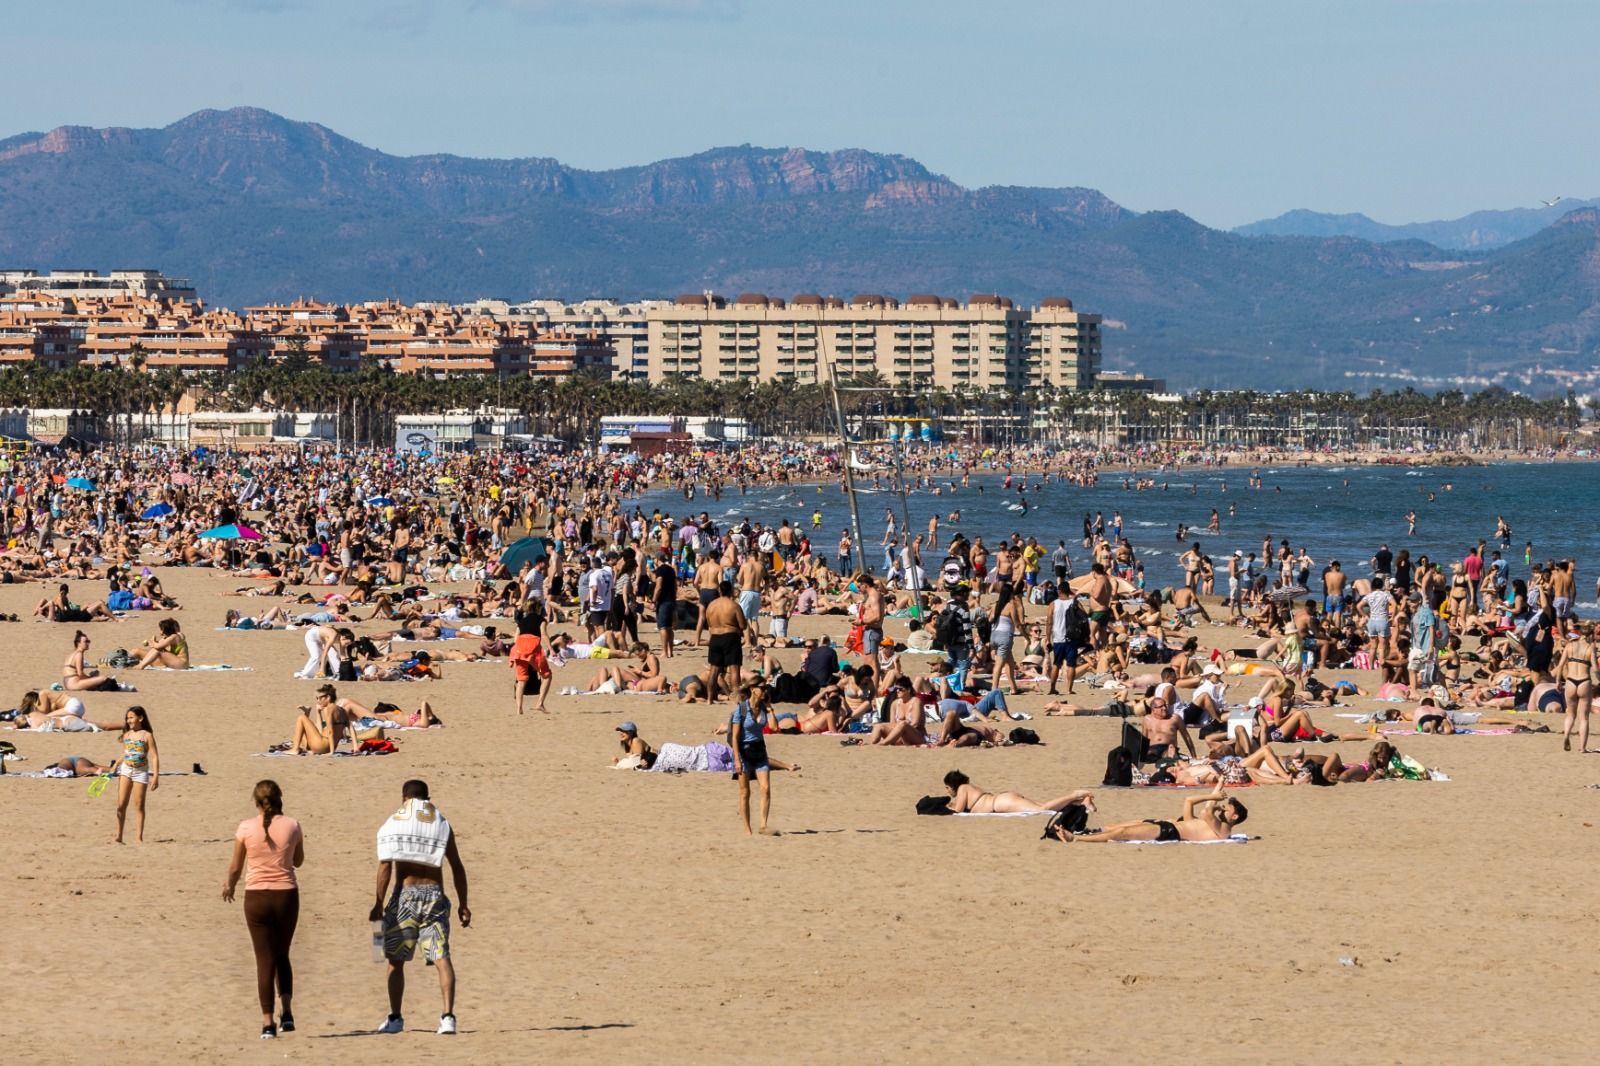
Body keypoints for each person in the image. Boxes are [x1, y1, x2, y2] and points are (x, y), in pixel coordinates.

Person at [372, 779, 471, 1036]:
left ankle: (395, 1018)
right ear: (428, 798)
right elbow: (457, 866)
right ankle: (448, 1017)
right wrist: (463, 903)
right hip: (434, 895)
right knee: (442, 958)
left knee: (395, 961)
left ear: (404, 797)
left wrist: (378, 903)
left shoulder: (395, 822)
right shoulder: (440, 823)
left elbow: (385, 866)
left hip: (405, 894)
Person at [223, 780, 305, 1040]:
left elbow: (236, 866)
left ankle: (267, 1021)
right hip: (286, 896)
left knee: (263, 958)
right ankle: (288, 1012)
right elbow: (299, 861)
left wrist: (230, 886)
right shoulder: (292, 825)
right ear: (280, 798)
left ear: (257, 803)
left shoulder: (246, 827)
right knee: (283, 954)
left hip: (256, 896)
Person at [1053, 783, 1248, 843]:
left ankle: (1076, 839)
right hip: (1169, 826)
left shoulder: (1223, 830)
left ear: (1234, 817)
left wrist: (1214, 803)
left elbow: (1207, 811)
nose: (1223, 809)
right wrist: (1218, 788)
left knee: (1122, 834)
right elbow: (1188, 801)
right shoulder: (1207, 826)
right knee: (1119, 828)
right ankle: (1082, 832)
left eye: (1227, 809)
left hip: (1170, 832)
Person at [728, 682, 776, 835]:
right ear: (752, 689)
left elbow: (774, 727)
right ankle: (747, 828)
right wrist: (736, 759)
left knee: (766, 788)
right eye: (761, 688)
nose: (764, 691)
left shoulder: (763, 708)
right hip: (744, 752)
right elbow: (735, 737)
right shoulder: (741, 710)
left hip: (760, 751)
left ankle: (763, 825)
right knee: (745, 792)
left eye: (765, 688)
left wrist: (770, 709)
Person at [942, 770, 1096, 814]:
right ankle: (1081, 803)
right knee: (1047, 807)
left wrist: (947, 807)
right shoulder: (969, 788)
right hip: (1002, 799)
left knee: (1043, 810)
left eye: (947, 787)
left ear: (953, 785)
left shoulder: (962, 788)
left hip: (1000, 803)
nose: (947, 791)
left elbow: (958, 810)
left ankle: (1075, 795)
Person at [112, 706, 158, 844]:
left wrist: (155, 776)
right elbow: (127, 753)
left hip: (141, 772)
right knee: (121, 805)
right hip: (126, 771)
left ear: (141, 718)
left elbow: (155, 756)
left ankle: (139, 837)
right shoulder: (126, 735)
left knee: (139, 805)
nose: (128, 720)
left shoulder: (147, 735)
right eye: (127, 718)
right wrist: (116, 765)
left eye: (131, 717)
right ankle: (119, 835)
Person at [700, 581, 746, 704]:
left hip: (715, 637)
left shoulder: (711, 606)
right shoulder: (734, 606)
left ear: (719, 590)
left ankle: (709, 699)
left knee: (714, 669)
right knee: (734, 668)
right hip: (730, 637)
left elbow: (708, 623)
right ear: (730, 591)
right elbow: (743, 625)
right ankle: (737, 697)